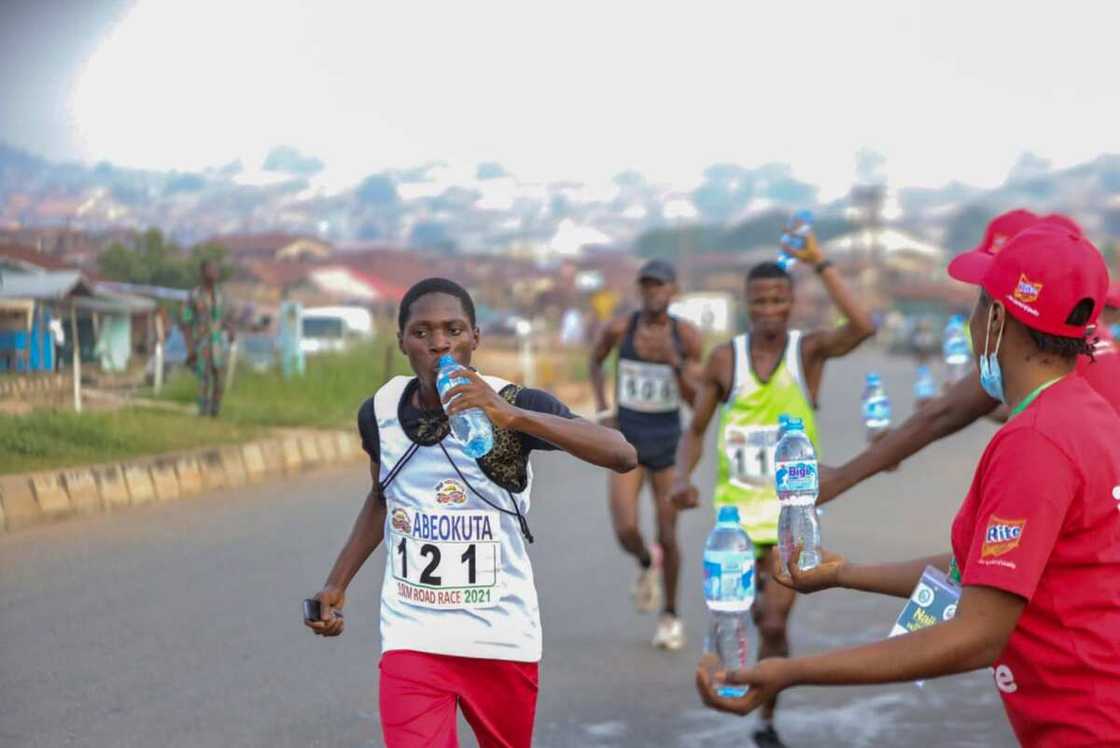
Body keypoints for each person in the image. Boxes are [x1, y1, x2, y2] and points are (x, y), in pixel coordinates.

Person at [695, 224, 1120, 747]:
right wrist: (845, 573)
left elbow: (976, 635)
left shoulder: (1036, 442)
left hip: (1087, 726)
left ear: (996, 319)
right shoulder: (1090, 417)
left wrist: (789, 671)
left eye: (977, 304)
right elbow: (982, 572)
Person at [305, 277, 636, 748]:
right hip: (413, 634)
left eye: (454, 330)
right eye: (422, 332)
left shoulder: (517, 404)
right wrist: (336, 583)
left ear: (475, 338)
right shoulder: (378, 411)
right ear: (401, 342)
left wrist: (509, 416)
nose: (439, 343)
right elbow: (383, 495)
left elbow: (621, 454)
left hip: (500, 638)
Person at [670, 231, 876, 748]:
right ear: (747, 305)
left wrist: (822, 263)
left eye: (778, 300)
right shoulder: (724, 360)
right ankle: (755, 691)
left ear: (792, 302)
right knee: (743, 617)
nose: (769, 310)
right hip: (735, 522)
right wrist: (680, 478)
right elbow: (695, 430)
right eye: (759, 301)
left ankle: (764, 717)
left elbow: (864, 325)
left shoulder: (807, 352)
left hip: (791, 519)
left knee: (775, 623)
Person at [818, 212, 1120, 506]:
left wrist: (842, 477)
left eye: (986, 293)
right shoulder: (1076, 337)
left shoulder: (1032, 433)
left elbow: (945, 413)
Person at [588, 259, 703, 650]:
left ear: (673, 291)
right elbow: (595, 360)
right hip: (628, 440)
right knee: (625, 529)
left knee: (669, 534)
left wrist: (674, 363)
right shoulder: (622, 328)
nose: (653, 292)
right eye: (647, 286)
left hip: (667, 443)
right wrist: (605, 409)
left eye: (660, 286)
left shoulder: (686, 336)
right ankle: (643, 561)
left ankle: (670, 615)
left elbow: (696, 397)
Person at [182, 259, 235, 417]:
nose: (215, 273)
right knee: (204, 380)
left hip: (218, 343)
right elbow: (186, 323)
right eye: (211, 270)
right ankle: (203, 412)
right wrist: (190, 349)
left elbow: (222, 318)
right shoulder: (194, 295)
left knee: (219, 381)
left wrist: (230, 328)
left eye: (216, 270)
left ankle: (215, 412)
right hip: (201, 344)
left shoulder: (220, 295)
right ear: (203, 273)